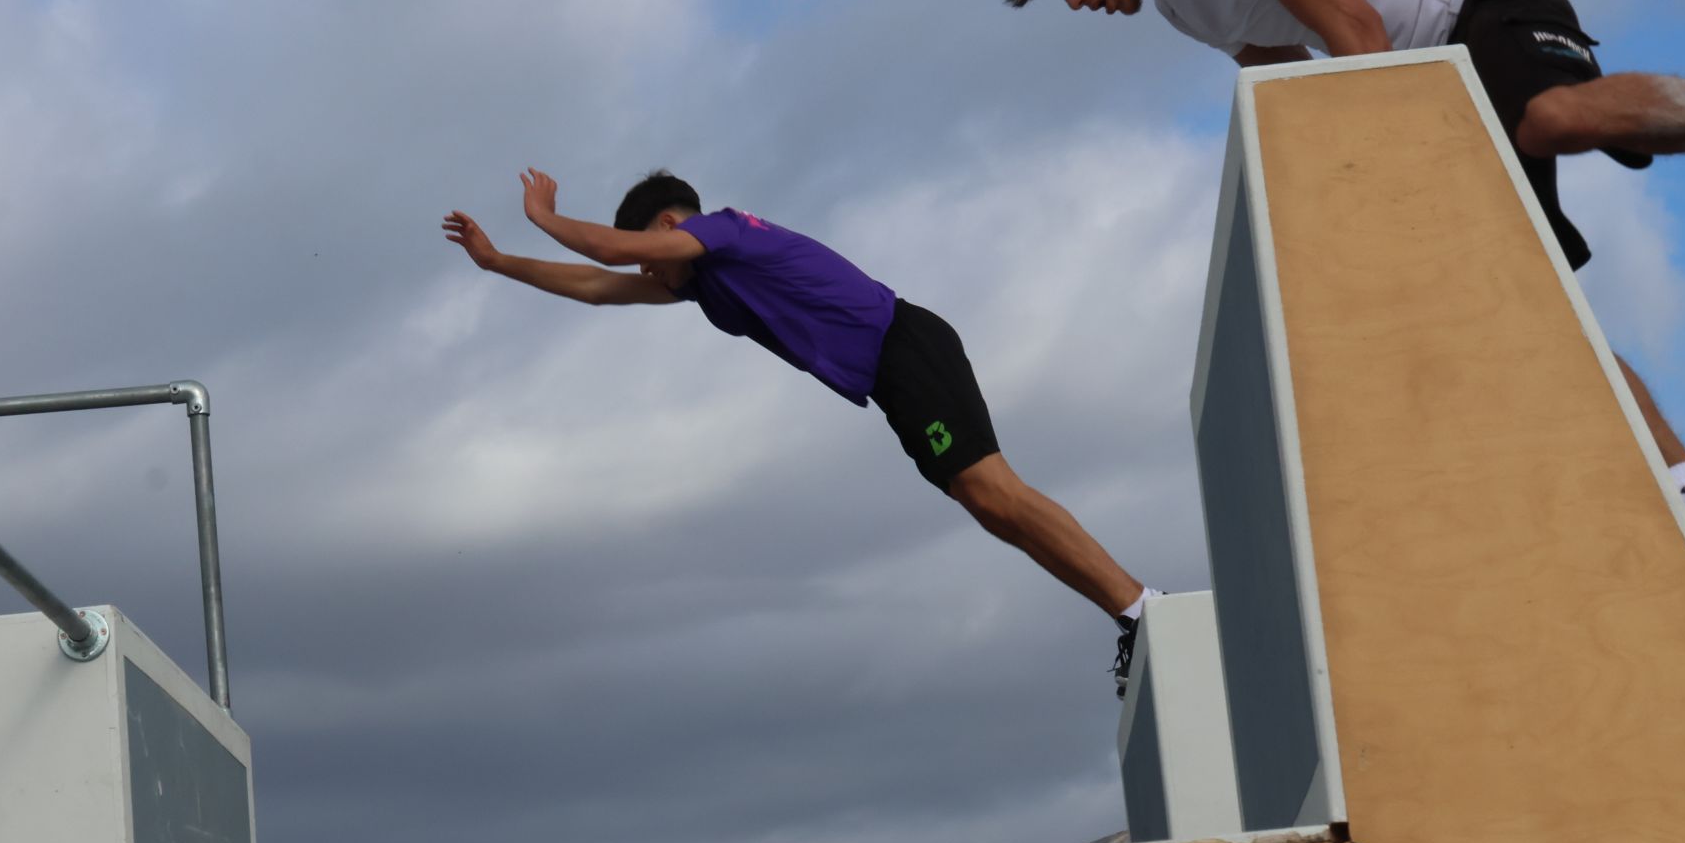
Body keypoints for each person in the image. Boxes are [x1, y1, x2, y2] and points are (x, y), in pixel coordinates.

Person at [996, 0, 1685, 591]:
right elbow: (1300, 93)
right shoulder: (1183, 6)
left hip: (1476, 3)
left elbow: (1358, 32)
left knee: (1552, 119)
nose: (1074, 2)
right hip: (1429, 83)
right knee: (1531, 307)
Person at [443, 167, 1159, 695]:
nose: (647, 274)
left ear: (668, 228)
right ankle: (1130, 615)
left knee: (991, 487)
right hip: (891, 375)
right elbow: (597, 286)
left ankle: (1144, 607)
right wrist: (498, 261)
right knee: (990, 506)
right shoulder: (695, 280)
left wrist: (541, 215)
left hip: (902, 344)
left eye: (647, 257)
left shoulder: (720, 229)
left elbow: (602, 254)